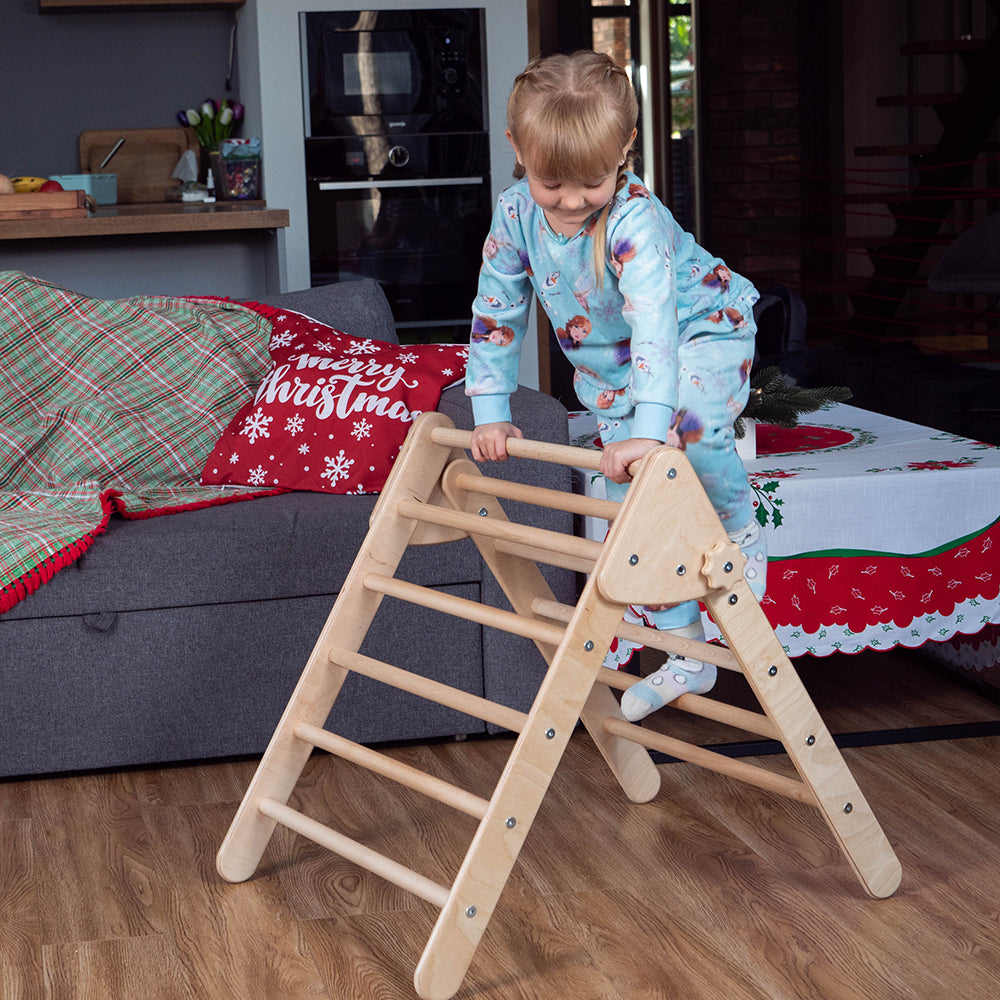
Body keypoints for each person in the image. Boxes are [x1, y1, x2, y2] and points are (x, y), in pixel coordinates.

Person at [465, 51, 766, 723]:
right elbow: (495, 315)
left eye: (591, 183)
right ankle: (686, 652)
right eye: (552, 184)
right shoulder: (515, 217)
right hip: (617, 377)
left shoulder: (634, 221)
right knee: (635, 512)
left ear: (626, 148)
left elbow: (657, 329)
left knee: (685, 422)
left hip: (700, 332)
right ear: (516, 150)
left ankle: (741, 532)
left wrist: (649, 427)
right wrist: (491, 409)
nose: (572, 202)